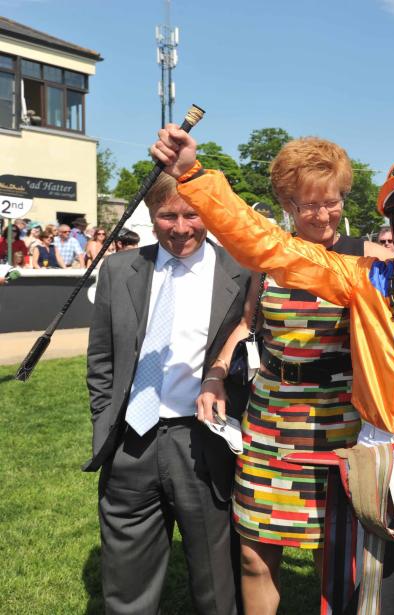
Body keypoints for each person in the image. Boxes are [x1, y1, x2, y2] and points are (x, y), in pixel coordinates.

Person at [150, 127, 394, 614]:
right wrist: (192, 175)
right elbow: (269, 247)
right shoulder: (361, 280)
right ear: (392, 228)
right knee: (383, 598)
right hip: (378, 468)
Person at [197, 137, 392, 614]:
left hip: (344, 423)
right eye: (310, 205)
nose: (324, 215)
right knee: (254, 555)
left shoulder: (371, 260)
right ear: (287, 203)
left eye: (333, 202)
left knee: (342, 554)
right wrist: (216, 376)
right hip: (270, 420)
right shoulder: (267, 262)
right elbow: (248, 324)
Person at [84, 172, 250, 614]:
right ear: (150, 216)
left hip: (203, 443)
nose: (180, 228)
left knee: (216, 582)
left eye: (192, 214)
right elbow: (101, 359)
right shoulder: (120, 269)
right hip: (131, 443)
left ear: (208, 214)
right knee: (126, 581)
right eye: (167, 215)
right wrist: (106, 422)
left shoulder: (240, 273)